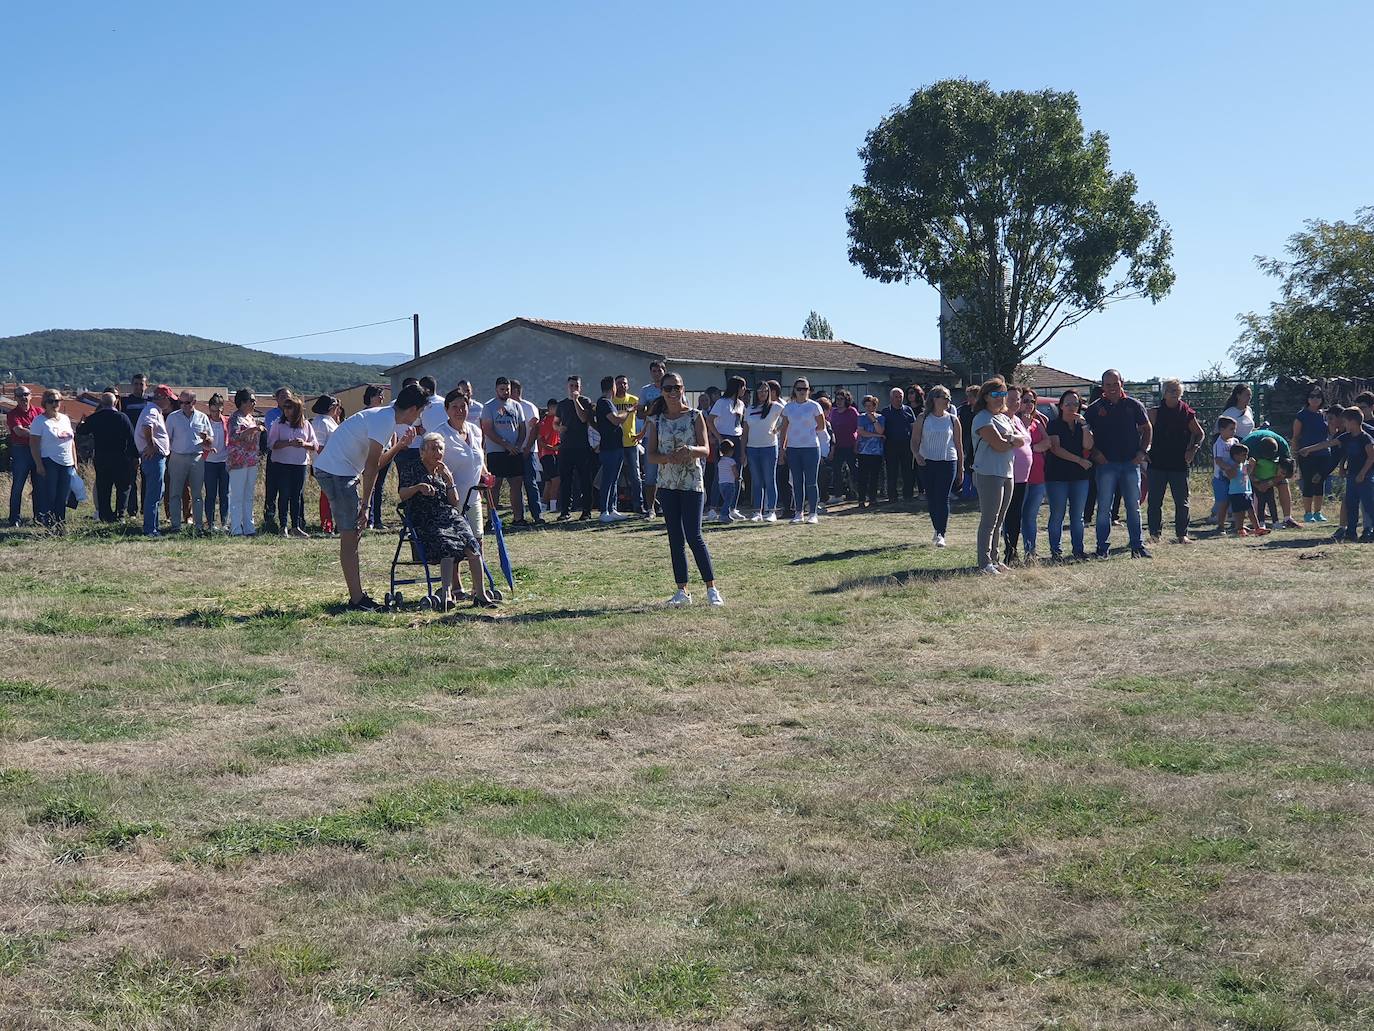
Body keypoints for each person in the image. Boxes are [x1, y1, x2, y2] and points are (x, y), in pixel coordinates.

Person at [314, 383, 426, 610]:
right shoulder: (384, 420)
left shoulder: (386, 418)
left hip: (340, 471)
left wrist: (400, 446)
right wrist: (365, 506)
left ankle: (357, 596)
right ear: (413, 409)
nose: (420, 417)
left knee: (352, 534)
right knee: (350, 534)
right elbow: (372, 466)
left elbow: (377, 462)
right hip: (337, 472)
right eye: (421, 411)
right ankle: (357, 599)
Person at [644, 372, 722, 606]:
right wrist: (668, 457)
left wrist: (689, 450)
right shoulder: (656, 420)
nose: (672, 392)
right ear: (662, 391)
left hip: (691, 483)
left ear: (683, 389)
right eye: (668, 388)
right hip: (667, 485)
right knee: (675, 538)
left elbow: (706, 449)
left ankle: (712, 589)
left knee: (694, 535)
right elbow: (651, 455)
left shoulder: (695, 416)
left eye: (676, 388)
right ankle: (682, 591)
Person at [397, 433, 497, 609]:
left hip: (449, 515)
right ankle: (446, 593)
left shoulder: (443, 470)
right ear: (422, 452)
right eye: (433, 448)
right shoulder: (412, 468)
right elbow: (402, 493)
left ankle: (480, 594)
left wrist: (450, 480)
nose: (438, 452)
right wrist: (418, 488)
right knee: (448, 547)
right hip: (425, 518)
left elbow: (454, 501)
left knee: (473, 546)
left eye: (440, 449)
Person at [1085, 369, 1152, 559]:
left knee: (1133, 506)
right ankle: (1102, 548)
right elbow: (1085, 435)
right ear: (1102, 386)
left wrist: (1142, 452)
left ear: (1122, 383)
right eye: (1108, 385)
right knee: (1104, 507)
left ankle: (1137, 546)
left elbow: (1147, 429)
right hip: (1106, 465)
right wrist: (1095, 453)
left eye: (1116, 384)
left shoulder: (1134, 405)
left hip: (1131, 464)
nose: (1112, 388)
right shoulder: (1094, 408)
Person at [970, 377, 1026, 574]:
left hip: (1007, 472)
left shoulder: (1003, 417)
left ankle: (995, 559)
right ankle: (984, 563)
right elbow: (999, 445)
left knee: (1000, 519)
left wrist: (1009, 439)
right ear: (985, 397)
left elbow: (1022, 438)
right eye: (995, 394)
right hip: (988, 473)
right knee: (989, 519)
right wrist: (1011, 440)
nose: (1000, 398)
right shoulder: (982, 418)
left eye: (1003, 394)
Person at [1300, 406, 1374, 543]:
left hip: (1365, 477)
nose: (1343, 425)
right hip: (1352, 476)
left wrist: (1363, 473)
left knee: (1369, 505)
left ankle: (1370, 531)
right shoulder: (1346, 437)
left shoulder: (1366, 438)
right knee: (1351, 504)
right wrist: (1309, 449)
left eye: (1345, 422)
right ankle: (1351, 532)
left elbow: (1371, 457)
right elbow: (1328, 443)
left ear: (1353, 422)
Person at [1145, 378, 1204, 545]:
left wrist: (1193, 449)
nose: (1174, 392)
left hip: (1179, 463)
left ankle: (1182, 535)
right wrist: (1142, 451)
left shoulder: (1186, 413)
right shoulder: (1154, 413)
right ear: (1164, 392)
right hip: (1157, 463)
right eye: (1170, 389)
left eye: (1176, 389)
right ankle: (1155, 535)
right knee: (1155, 501)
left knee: (1182, 501)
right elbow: (1140, 432)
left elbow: (1200, 434)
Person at [432, 388, 488, 562]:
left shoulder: (475, 430)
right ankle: (456, 587)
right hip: (451, 498)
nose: (459, 411)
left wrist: (485, 473)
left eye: (463, 406)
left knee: (477, 539)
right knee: (454, 543)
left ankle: (478, 587)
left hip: (473, 496)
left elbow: (478, 456)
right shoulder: (440, 434)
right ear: (446, 410)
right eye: (454, 407)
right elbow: (431, 463)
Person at [1044, 389, 1095, 561]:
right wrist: (1079, 461)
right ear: (1061, 406)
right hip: (1057, 476)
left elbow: (1088, 446)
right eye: (1068, 404)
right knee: (1057, 514)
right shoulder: (1053, 424)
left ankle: (1078, 550)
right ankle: (1056, 552)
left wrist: (1086, 426)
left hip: (1079, 477)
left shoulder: (1082, 425)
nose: (1072, 407)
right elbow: (1056, 449)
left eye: (1075, 404)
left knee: (1077, 516)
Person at [912, 385, 961, 547]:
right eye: (944, 397)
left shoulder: (953, 419)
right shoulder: (923, 418)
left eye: (949, 398)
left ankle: (941, 532)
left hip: (948, 462)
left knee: (943, 497)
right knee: (932, 498)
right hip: (927, 462)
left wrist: (961, 468)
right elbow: (915, 440)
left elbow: (959, 446)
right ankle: (936, 527)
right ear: (934, 399)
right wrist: (917, 454)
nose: (948, 401)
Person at [267, 391, 319, 537]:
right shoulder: (278, 423)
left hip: (299, 464)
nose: (287, 410)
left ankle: (295, 526)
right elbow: (271, 444)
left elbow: (314, 445)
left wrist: (304, 444)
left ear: (297, 409)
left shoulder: (306, 425)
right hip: (282, 464)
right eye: (285, 407)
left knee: (296, 496)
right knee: (283, 494)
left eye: (290, 407)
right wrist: (288, 443)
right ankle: (283, 525)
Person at [84, 391, 138, 522]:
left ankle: (105, 515)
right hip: (121, 458)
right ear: (115, 402)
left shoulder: (95, 417)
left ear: (101, 403)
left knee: (103, 487)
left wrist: (82, 422)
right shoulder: (122, 417)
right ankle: (120, 515)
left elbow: (82, 431)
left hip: (102, 458)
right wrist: (135, 456)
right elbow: (131, 438)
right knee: (123, 488)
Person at [778, 378, 826, 524]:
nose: (802, 392)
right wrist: (782, 449)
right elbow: (784, 430)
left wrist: (808, 433)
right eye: (799, 389)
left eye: (805, 389)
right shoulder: (788, 407)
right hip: (793, 449)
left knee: (811, 481)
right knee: (797, 481)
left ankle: (813, 513)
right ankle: (799, 512)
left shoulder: (814, 406)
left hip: (811, 448)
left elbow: (821, 426)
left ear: (809, 390)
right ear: (794, 390)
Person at [28, 389, 77, 530]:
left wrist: (74, 462)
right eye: (51, 401)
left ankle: (60, 524)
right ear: (45, 403)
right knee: (50, 495)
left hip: (67, 462)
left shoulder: (65, 419)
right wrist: (39, 465)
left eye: (57, 401)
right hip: (49, 461)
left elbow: (72, 441)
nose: (54, 404)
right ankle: (49, 524)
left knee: (63, 496)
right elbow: (34, 444)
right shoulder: (39, 421)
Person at [165, 390, 213, 533]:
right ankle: (175, 525)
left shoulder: (202, 417)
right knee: (175, 492)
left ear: (194, 402)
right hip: (177, 457)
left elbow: (211, 441)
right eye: (181, 402)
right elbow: (167, 439)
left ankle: (198, 526)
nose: (183, 405)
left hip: (196, 458)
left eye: (186, 403)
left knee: (197, 494)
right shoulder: (173, 418)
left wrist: (206, 439)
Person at [483, 377, 529, 524]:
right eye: (502, 389)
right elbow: (488, 429)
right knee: (495, 486)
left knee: (516, 483)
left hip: (514, 452)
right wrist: (505, 445)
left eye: (507, 389)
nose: (505, 392)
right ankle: (492, 520)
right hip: (496, 452)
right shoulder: (489, 406)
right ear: (497, 390)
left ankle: (518, 518)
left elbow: (522, 428)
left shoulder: (516, 406)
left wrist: (518, 445)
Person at [555, 376, 597, 522]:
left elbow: (583, 418)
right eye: (571, 386)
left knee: (585, 480)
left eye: (576, 386)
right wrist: (559, 428)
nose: (574, 388)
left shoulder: (585, 401)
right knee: (566, 480)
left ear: (580, 387)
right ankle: (565, 511)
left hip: (582, 447)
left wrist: (576, 400)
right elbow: (555, 423)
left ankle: (586, 511)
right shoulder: (561, 405)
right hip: (566, 447)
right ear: (567, 387)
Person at [1241, 427, 1301, 529]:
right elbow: (1241, 470)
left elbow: (1287, 472)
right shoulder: (1248, 445)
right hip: (1253, 473)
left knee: (1283, 483)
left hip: (1273, 473)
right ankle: (1243, 519)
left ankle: (1287, 518)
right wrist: (1256, 484)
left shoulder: (1282, 445)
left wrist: (1270, 482)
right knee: (1243, 487)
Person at [1002, 387, 1036, 564]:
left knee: (1016, 515)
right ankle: (1008, 553)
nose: (1016, 403)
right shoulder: (1001, 419)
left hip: (1022, 476)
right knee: (1009, 515)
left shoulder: (1018, 419)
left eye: (1018, 400)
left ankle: (1012, 551)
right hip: (1009, 474)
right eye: (1012, 399)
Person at [591, 375, 631, 523]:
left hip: (616, 447)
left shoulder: (609, 403)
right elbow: (615, 420)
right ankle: (604, 511)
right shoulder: (604, 402)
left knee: (614, 479)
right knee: (607, 480)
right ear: (612, 387)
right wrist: (628, 411)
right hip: (609, 448)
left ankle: (612, 508)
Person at [706, 377, 747, 519]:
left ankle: (732, 507)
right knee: (720, 475)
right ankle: (712, 508)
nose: (744, 390)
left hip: (737, 438)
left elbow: (739, 425)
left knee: (736, 474)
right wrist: (719, 438)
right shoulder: (721, 402)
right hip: (724, 439)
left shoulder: (741, 404)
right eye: (743, 387)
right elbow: (710, 420)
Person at [741, 380, 782, 522]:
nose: (763, 393)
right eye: (760, 391)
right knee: (756, 481)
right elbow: (745, 432)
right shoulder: (750, 409)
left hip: (769, 447)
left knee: (769, 480)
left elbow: (788, 417)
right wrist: (743, 451)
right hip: (752, 448)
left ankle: (771, 511)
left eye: (766, 391)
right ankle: (757, 511)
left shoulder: (775, 407)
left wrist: (779, 429)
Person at [135, 386, 173, 536]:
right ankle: (150, 529)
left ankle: (154, 526)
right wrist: (151, 446)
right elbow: (146, 427)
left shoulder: (154, 410)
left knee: (158, 492)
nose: (170, 402)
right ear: (162, 398)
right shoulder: (152, 411)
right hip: (154, 457)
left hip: (156, 457)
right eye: (168, 399)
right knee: (154, 493)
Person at [1019, 388, 1051, 561]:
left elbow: (1047, 442)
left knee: (1031, 517)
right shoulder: (1014, 422)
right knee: (1017, 515)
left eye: (1032, 401)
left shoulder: (1037, 423)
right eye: (1025, 401)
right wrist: (1033, 448)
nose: (1029, 404)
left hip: (1038, 477)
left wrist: (1036, 447)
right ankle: (1011, 552)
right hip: (1020, 478)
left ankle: (1030, 552)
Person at [1293, 386, 1332, 523]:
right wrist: (1295, 455)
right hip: (1306, 454)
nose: (1315, 399)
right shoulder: (1301, 415)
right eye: (1312, 396)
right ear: (1307, 398)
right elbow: (1296, 436)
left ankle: (1318, 512)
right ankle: (1307, 513)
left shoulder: (1325, 414)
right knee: (1308, 482)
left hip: (1323, 453)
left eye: (1318, 396)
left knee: (1320, 481)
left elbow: (1332, 432)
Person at [226, 389, 262, 537]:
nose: (254, 403)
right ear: (242, 402)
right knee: (237, 495)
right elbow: (234, 436)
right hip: (238, 461)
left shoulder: (250, 418)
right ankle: (235, 528)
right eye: (251, 400)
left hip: (251, 460)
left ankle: (249, 527)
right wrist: (252, 430)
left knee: (248, 495)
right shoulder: (235, 418)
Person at [7, 385, 43, 525]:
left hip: (37, 450)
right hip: (20, 451)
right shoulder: (12, 414)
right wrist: (36, 432)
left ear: (31, 395)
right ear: (15, 398)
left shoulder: (39, 412)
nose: (24, 397)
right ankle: (14, 518)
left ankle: (39, 517)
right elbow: (19, 432)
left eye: (26, 394)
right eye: (20, 395)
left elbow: (43, 428)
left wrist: (29, 430)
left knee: (39, 485)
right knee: (18, 486)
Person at [509, 379, 544, 523]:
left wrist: (527, 448)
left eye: (509, 390)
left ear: (516, 391)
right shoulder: (507, 408)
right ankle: (519, 517)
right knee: (515, 485)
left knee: (530, 482)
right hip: (513, 451)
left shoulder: (529, 407)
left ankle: (537, 515)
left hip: (528, 452)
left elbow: (534, 429)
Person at [120, 373, 152, 517]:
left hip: (148, 445)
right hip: (131, 445)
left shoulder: (151, 402)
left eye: (142, 384)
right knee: (130, 479)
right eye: (136, 384)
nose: (139, 387)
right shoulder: (125, 402)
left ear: (147, 385)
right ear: (132, 385)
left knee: (147, 479)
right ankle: (132, 511)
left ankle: (146, 510)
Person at [361, 386, 393, 530]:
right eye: (378, 395)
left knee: (379, 487)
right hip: (369, 455)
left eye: (382, 395)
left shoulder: (384, 413)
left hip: (385, 453)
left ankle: (377, 519)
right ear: (370, 397)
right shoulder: (364, 414)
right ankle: (368, 519)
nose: (381, 398)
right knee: (370, 487)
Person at [638, 361, 666, 517]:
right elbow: (639, 413)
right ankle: (651, 508)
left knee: (669, 472)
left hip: (669, 435)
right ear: (651, 373)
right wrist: (651, 411)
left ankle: (668, 506)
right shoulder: (645, 391)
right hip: (651, 435)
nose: (657, 373)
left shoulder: (672, 389)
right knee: (650, 474)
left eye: (660, 370)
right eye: (654, 371)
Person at [260, 386, 290, 530]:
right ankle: (269, 519)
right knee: (272, 488)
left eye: (288, 396)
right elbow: (272, 431)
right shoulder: (272, 414)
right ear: (277, 399)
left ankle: (288, 520)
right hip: (275, 454)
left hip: (291, 456)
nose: (286, 398)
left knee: (287, 489)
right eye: (283, 396)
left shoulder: (295, 413)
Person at [199, 393, 230, 532]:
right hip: (209, 461)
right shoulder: (205, 421)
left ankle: (224, 522)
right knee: (211, 494)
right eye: (212, 410)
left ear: (222, 409)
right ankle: (210, 523)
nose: (215, 413)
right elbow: (198, 441)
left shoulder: (227, 422)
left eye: (218, 410)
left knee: (225, 493)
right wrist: (207, 448)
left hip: (224, 461)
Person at [310, 395, 341, 533]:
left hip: (333, 463)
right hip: (325, 464)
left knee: (334, 496)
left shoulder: (329, 421)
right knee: (328, 496)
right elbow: (319, 446)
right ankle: (326, 525)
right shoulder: (320, 422)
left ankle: (335, 524)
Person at [881, 387, 917, 503]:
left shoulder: (908, 410)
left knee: (908, 471)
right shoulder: (885, 411)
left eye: (900, 396)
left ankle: (908, 495)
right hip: (891, 446)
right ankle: (892, 496)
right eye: (896, 397)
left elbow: (913, 427)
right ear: (891, 398)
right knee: (892, 471)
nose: (898, 399)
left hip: (906, 445)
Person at [1225, 443, 1268, 537]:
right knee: (1239, 512)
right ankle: (1240, 529)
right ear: (1235, 456)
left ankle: (1257, 528)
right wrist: (1234, 468)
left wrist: (1251, 466)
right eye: (1244, 455)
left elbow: (1246, 474)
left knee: (1251, 510)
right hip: (1236, 492)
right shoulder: (1231, 465)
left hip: (1246, 490)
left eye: (1246, 455)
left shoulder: (1244, 464)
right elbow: (1230, 476)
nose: (1246, 457)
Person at [826, 390, 860, 504]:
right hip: (837, 446)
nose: (839, 401)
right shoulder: (833, 412)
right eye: (837, 399)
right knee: (837, 471)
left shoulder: (852, 412)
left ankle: (858, 492)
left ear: (846, 400)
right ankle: (838, 494)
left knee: (853, 470)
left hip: (850, 445)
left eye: (841, 399)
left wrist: (856, 445)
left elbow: (858, 429)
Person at [855, 395, 886, 509]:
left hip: (876, 452)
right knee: (863, 477)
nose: (868, 408)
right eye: (866, 406)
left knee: (874, 476)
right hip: (864, 451)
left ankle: (873, 498)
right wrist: (877, 435)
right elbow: (861, 432)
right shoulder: (861, 417)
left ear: (875, 406)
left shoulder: (881, 418)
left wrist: (873, 419)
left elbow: (881, 429)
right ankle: (861, 499)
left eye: (870, 405)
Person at [1211, 416, 1240, 533]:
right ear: (1222, 430)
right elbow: (1218, 460)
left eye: (1235, 429)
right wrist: (1229, 469)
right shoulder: (1219, 444)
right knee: (1223, 502)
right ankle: (1221, 525)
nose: (1234, 431)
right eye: (1231, 429)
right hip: (1221, 478)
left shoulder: (1235, 442)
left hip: (1233, 477)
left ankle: (1236, 523)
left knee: (1235, 500)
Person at [957, 384, 981, 498]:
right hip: (967, 439)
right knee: (967, 464)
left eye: (971, 396)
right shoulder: (964, 409)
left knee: (977, 466)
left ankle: (976, 491)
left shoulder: (982, 411)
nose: (968, 398)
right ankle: (966, 491)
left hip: (978, 440)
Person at [538, 399, 561, 514]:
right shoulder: (545, 422)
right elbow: (541, 441)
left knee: (548, 482)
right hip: (547, 455)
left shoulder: (556, 420)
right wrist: (552, 448)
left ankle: (542, 507)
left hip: (553, 454)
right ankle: (553, 506)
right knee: (556, 480)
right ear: (550, 408)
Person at [715, 438, 740, 522]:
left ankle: (727, 515)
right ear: (730, 451)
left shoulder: (720, 461)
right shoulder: (731, 461)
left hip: (721, 484)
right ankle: (723, 515)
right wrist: (738, 477)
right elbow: (735, 471)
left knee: (726, 500)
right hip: (729, 483)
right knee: (728, 501)